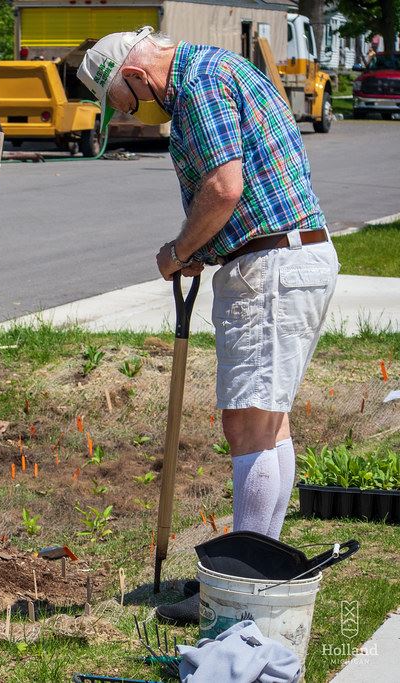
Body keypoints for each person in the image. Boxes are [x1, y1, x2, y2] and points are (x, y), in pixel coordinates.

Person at [77, 28, 338, 623]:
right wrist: (204, 246)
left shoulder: (197, 86)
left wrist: (177, 249)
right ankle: (257, 574)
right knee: (267, 426)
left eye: (124, 98)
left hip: (271, 267)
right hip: (279, 257)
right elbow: (233, 192)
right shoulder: (216, 72)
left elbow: (223, 187)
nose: (133, 109)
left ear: (136, 74)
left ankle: (239, 595)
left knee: (249, 426)